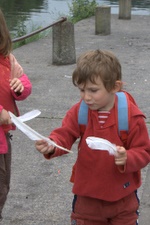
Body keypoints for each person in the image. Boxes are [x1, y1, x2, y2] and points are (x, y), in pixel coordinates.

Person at [35, 49, 150, 225]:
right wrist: (52, 144)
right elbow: (65, 133)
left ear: (115, 87)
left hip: (123, 199)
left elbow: (144, 151)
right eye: (82, 90)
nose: (86, 97)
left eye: (93, 90)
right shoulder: (80, 111)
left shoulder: (131, 116)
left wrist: (128, 157)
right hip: (87, 200)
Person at [0, 8, 32, 221]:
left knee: (3, 187)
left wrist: (19, 87)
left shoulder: (7, 60)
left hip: (2, 139)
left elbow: (25, 84)